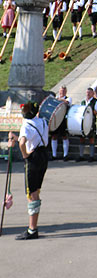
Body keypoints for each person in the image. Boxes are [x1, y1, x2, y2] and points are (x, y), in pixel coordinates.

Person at [7, 101, 49, 240]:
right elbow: (34, 137)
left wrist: (25, 154)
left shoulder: (26, 124)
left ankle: (32, 229)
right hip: (43, 155)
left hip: (33, 158)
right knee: (36, 190)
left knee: (31, 193)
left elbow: (22, 142)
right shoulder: (42, 121)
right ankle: (33, 226)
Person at [77, 87, 97, 162]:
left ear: (93, 93)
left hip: (91, 122)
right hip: (83, 123)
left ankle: (91, 156)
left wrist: (90, 110)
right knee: (82, 139)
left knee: (91, 139)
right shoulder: (83, 102)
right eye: (87, 92)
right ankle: (81, 155)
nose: (87, 94)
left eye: (89, 92)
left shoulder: (96, 102)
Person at [50, 85, 72, 161]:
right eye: (61, 90)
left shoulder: (68, 98)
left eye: (64, 91)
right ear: (59, 91)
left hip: (63, 120)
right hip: (56, 120)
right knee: (54, 136)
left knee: (64, 136)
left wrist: (59, 99)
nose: (62, 92)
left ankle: (65, 155)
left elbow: (67, 102)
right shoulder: (56, 98)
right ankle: (54, 155)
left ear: (66, 92)